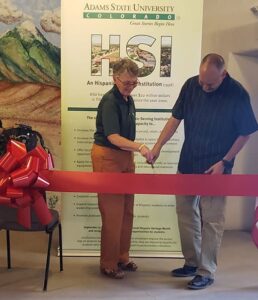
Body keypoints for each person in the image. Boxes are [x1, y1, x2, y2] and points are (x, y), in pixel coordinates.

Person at [151, 53, 258, 289]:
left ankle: (206, 271)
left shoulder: (237, 94)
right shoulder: (191, 85)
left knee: (212, 220)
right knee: (186, 213)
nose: (205, 87)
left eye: (210, 83)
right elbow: (175, 119)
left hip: (217, 167)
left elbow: (246, 132)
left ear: (224, 74)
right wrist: (158, 146)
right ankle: (191, 261)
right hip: (188, 162)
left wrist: (225, 161)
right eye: (202, 81)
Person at [91, 58, 153, 279]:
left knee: (127, 210)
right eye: (127, 82)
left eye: (134, 82)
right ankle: (108, 264)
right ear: (115, 78)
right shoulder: (109, 101)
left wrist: (135, 151)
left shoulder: (128, 99)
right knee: (113, 213)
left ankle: (122, 257)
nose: (130, 86)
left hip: (125, 157)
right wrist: (141, 147)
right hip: (108, 156)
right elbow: (113, 137)